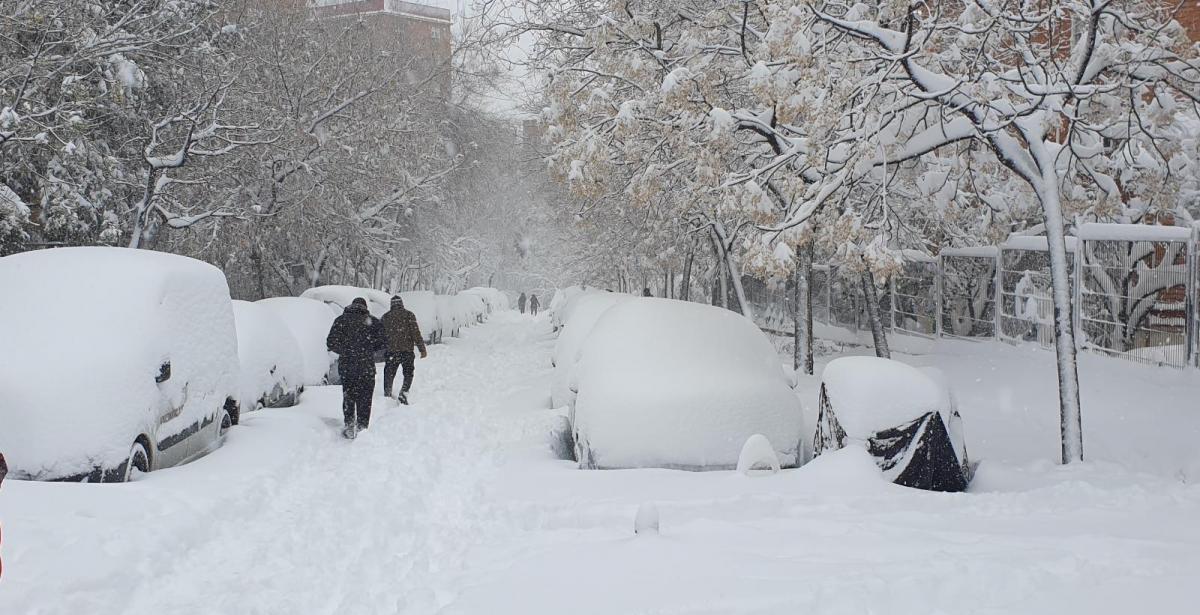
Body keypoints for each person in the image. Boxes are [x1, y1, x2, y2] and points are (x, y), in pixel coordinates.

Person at [326, 297, 386, 439]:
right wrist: (369, 349)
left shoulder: (340, 321)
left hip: (347, 367)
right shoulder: (373, 322)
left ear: (351, 305)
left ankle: (349, 425)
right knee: (365, 399)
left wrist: (346, 350)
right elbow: (384, 342)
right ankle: (362, 427)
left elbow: (330, 342)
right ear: (365, 307)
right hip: (366, 367)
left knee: (349, 397)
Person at [382, 295, 427, 405]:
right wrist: (422, 349)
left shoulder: (386, 317)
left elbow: (380, 335)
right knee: (408, 373)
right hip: (406, 351)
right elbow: (415, 333)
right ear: (401, 303)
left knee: (389, 373)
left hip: (391, 351)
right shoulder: (409, 315)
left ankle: (387, 393)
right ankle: (404, 392)